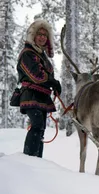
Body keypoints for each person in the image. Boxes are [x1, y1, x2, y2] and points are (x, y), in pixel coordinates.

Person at [17, 19, 62, 158]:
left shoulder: (42, 56)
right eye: (39, 34)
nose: (42, 37)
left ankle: (37, 161)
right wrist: (52, 81)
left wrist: (54, 84)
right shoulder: (27, 53)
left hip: (42, 96)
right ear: (33, 36)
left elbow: (47, 76)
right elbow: (37, 76)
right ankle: (28, 159)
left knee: (40, 128)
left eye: (45, 35)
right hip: (30, 94)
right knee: (37, 125)